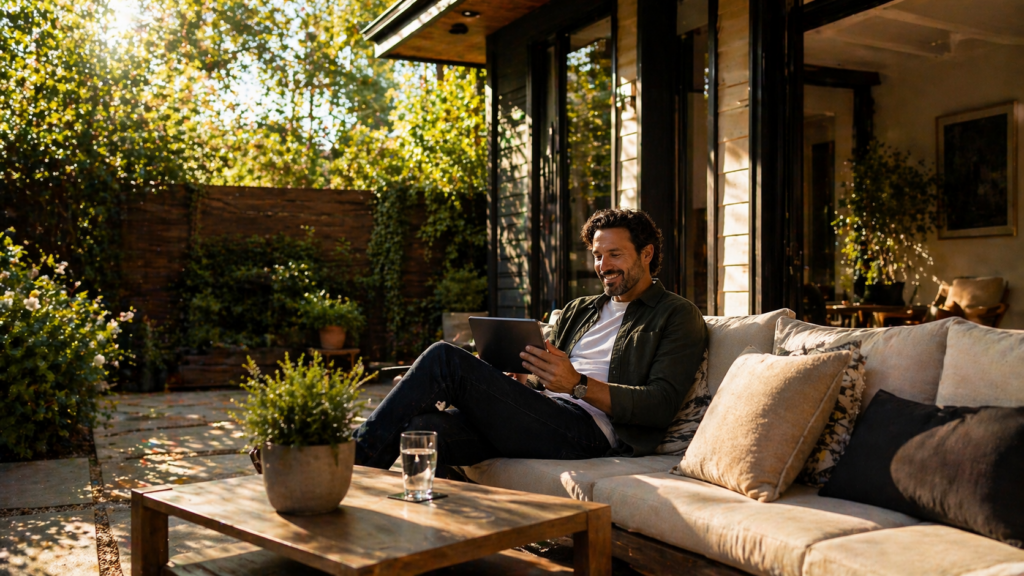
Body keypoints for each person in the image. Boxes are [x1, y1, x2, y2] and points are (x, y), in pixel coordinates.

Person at [353, 209, 708, 475]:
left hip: (590, 432)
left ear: (646, 254)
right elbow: (549, 376)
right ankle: (438, 539)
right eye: (598, 255)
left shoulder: (676, 315)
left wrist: (578, 386)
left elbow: (660, 404)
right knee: (424, 430)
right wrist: (523, 379)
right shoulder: (580, 309)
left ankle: (352, 467)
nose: (603, 265)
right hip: (544, 414)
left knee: (445, 359)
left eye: (615, 254)